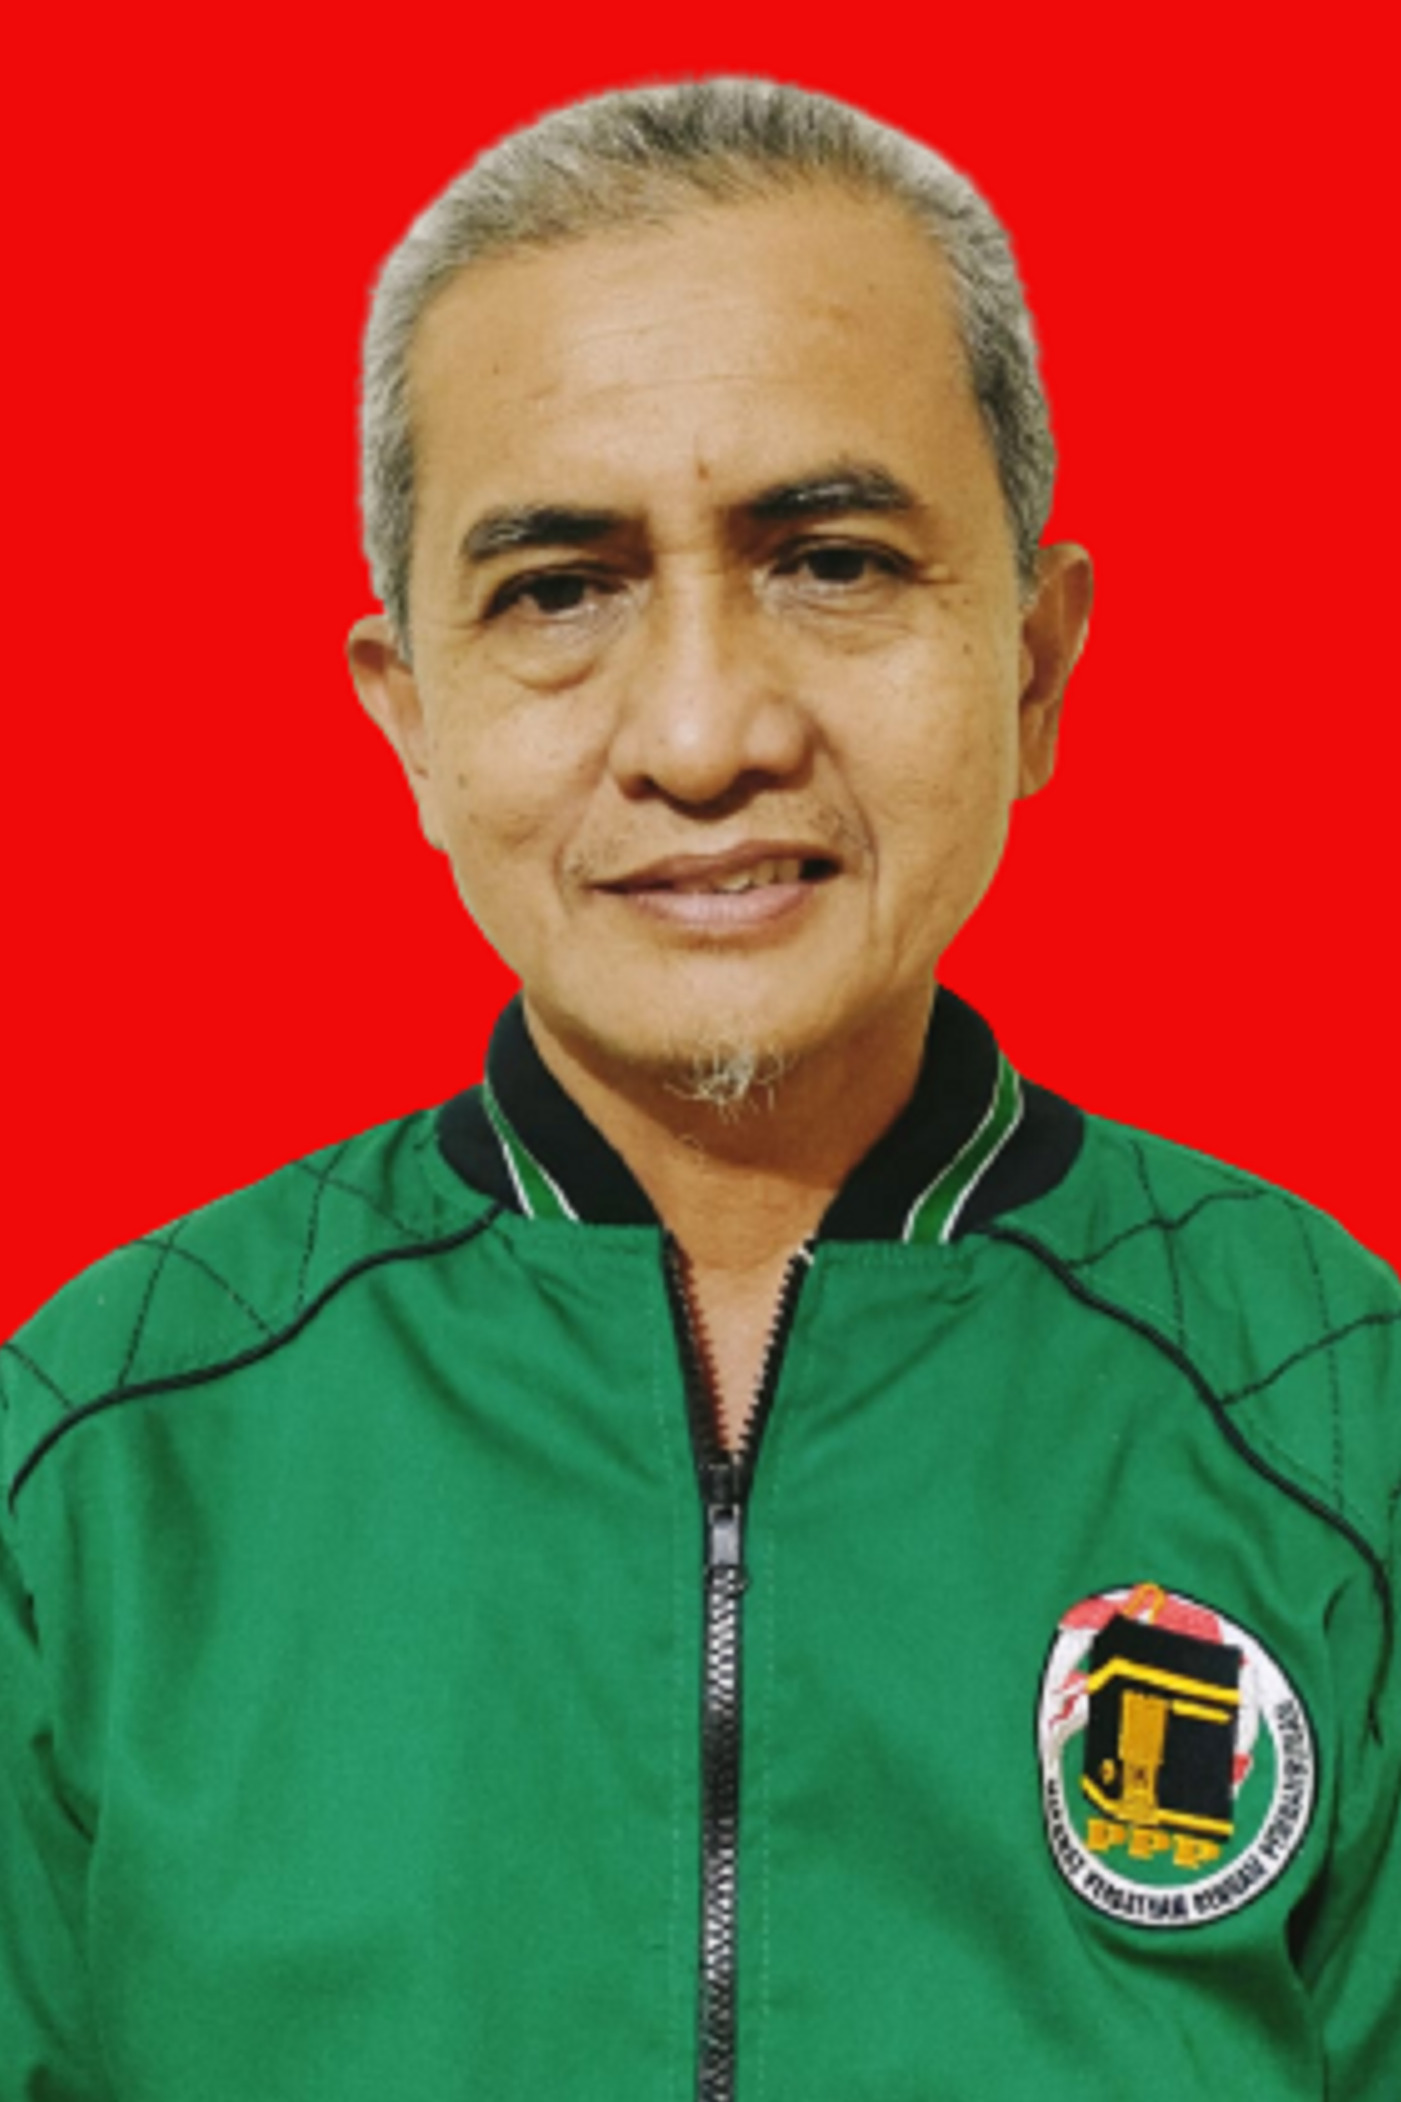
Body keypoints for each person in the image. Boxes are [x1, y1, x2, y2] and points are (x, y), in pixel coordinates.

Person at [1, 78, 1396, 2102]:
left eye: (830, 560)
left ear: (1031, 665)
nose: (700, 730)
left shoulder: (1337, 1425)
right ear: (410, 720)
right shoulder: (101, 1474)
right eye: (557, 589)